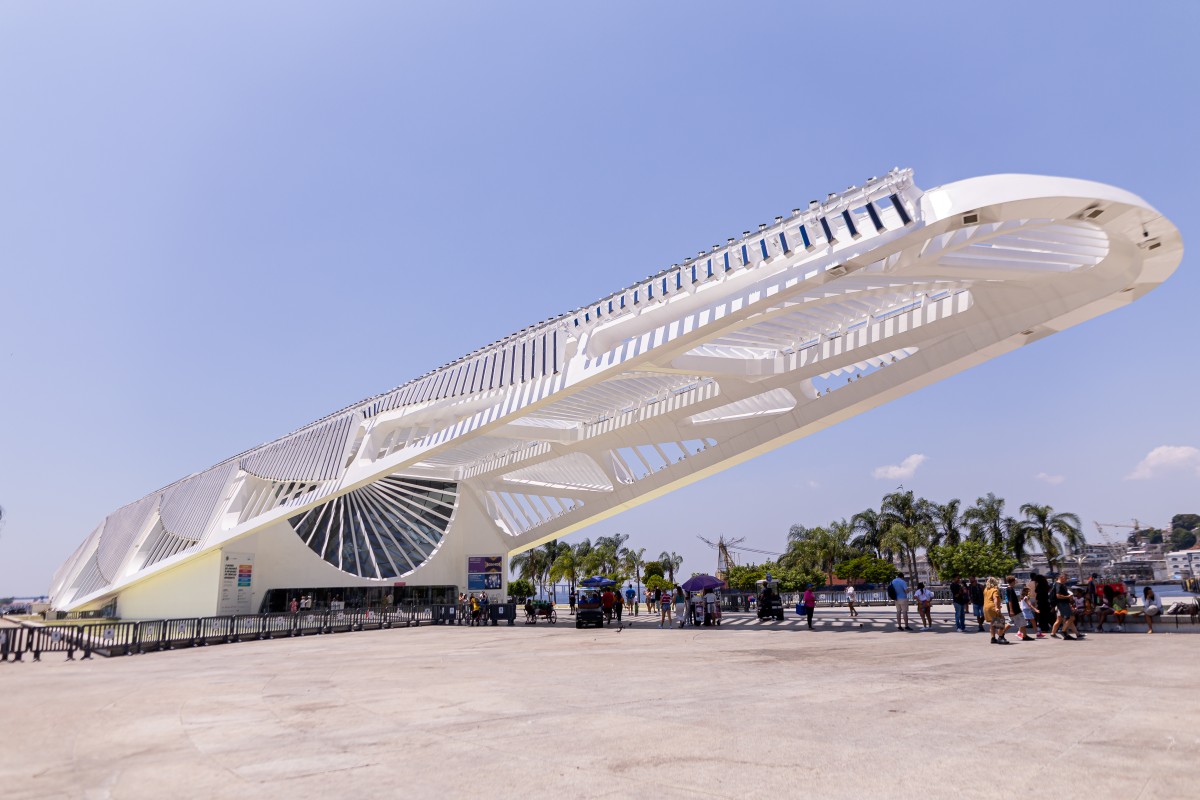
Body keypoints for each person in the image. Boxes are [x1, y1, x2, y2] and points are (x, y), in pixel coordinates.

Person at [1049, 574, 1082, 640]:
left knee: (1060, 619)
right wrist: (1068, 597)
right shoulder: (1059, 585)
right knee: (1071, 618)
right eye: (1066, 578)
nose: (1066, 579)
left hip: (1060, 604)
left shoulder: (1057, 584)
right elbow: (1058, 595)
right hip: (1062, 604)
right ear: (1061, 577)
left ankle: (1077, 634)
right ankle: (1063, 631)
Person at [983, 577, 1010, 644]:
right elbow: (995, 598)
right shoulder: (994, 590)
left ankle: (993, 638)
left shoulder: (986, 589)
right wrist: (996, 607)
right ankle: (1001, 637)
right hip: (992, 607)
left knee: (992, 623)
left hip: (986, 607)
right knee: (1001, 621)